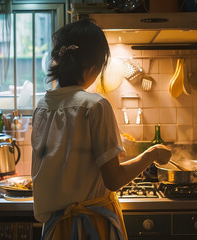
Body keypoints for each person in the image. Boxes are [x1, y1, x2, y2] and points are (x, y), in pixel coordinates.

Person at [31, 19, 172, 240]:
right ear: (92, 67)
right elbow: (114, 179)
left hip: (55, 229)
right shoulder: (95, 105)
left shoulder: (42, 107)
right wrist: (152, 154)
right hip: (91, 227)